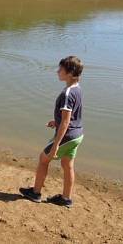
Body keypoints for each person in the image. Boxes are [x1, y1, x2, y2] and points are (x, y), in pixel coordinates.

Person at [19, 56, 85, 208]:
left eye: (60, 69)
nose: (57, 71)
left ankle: (35, 193)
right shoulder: (77, 89)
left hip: (67, 135)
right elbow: (73, 115)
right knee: (67, 164)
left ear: (69, 73)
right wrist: (56, 121)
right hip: (78, 135)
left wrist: (56, 145)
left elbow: (67, 121)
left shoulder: (67, 93)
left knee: (43, 159)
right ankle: (66, 198)